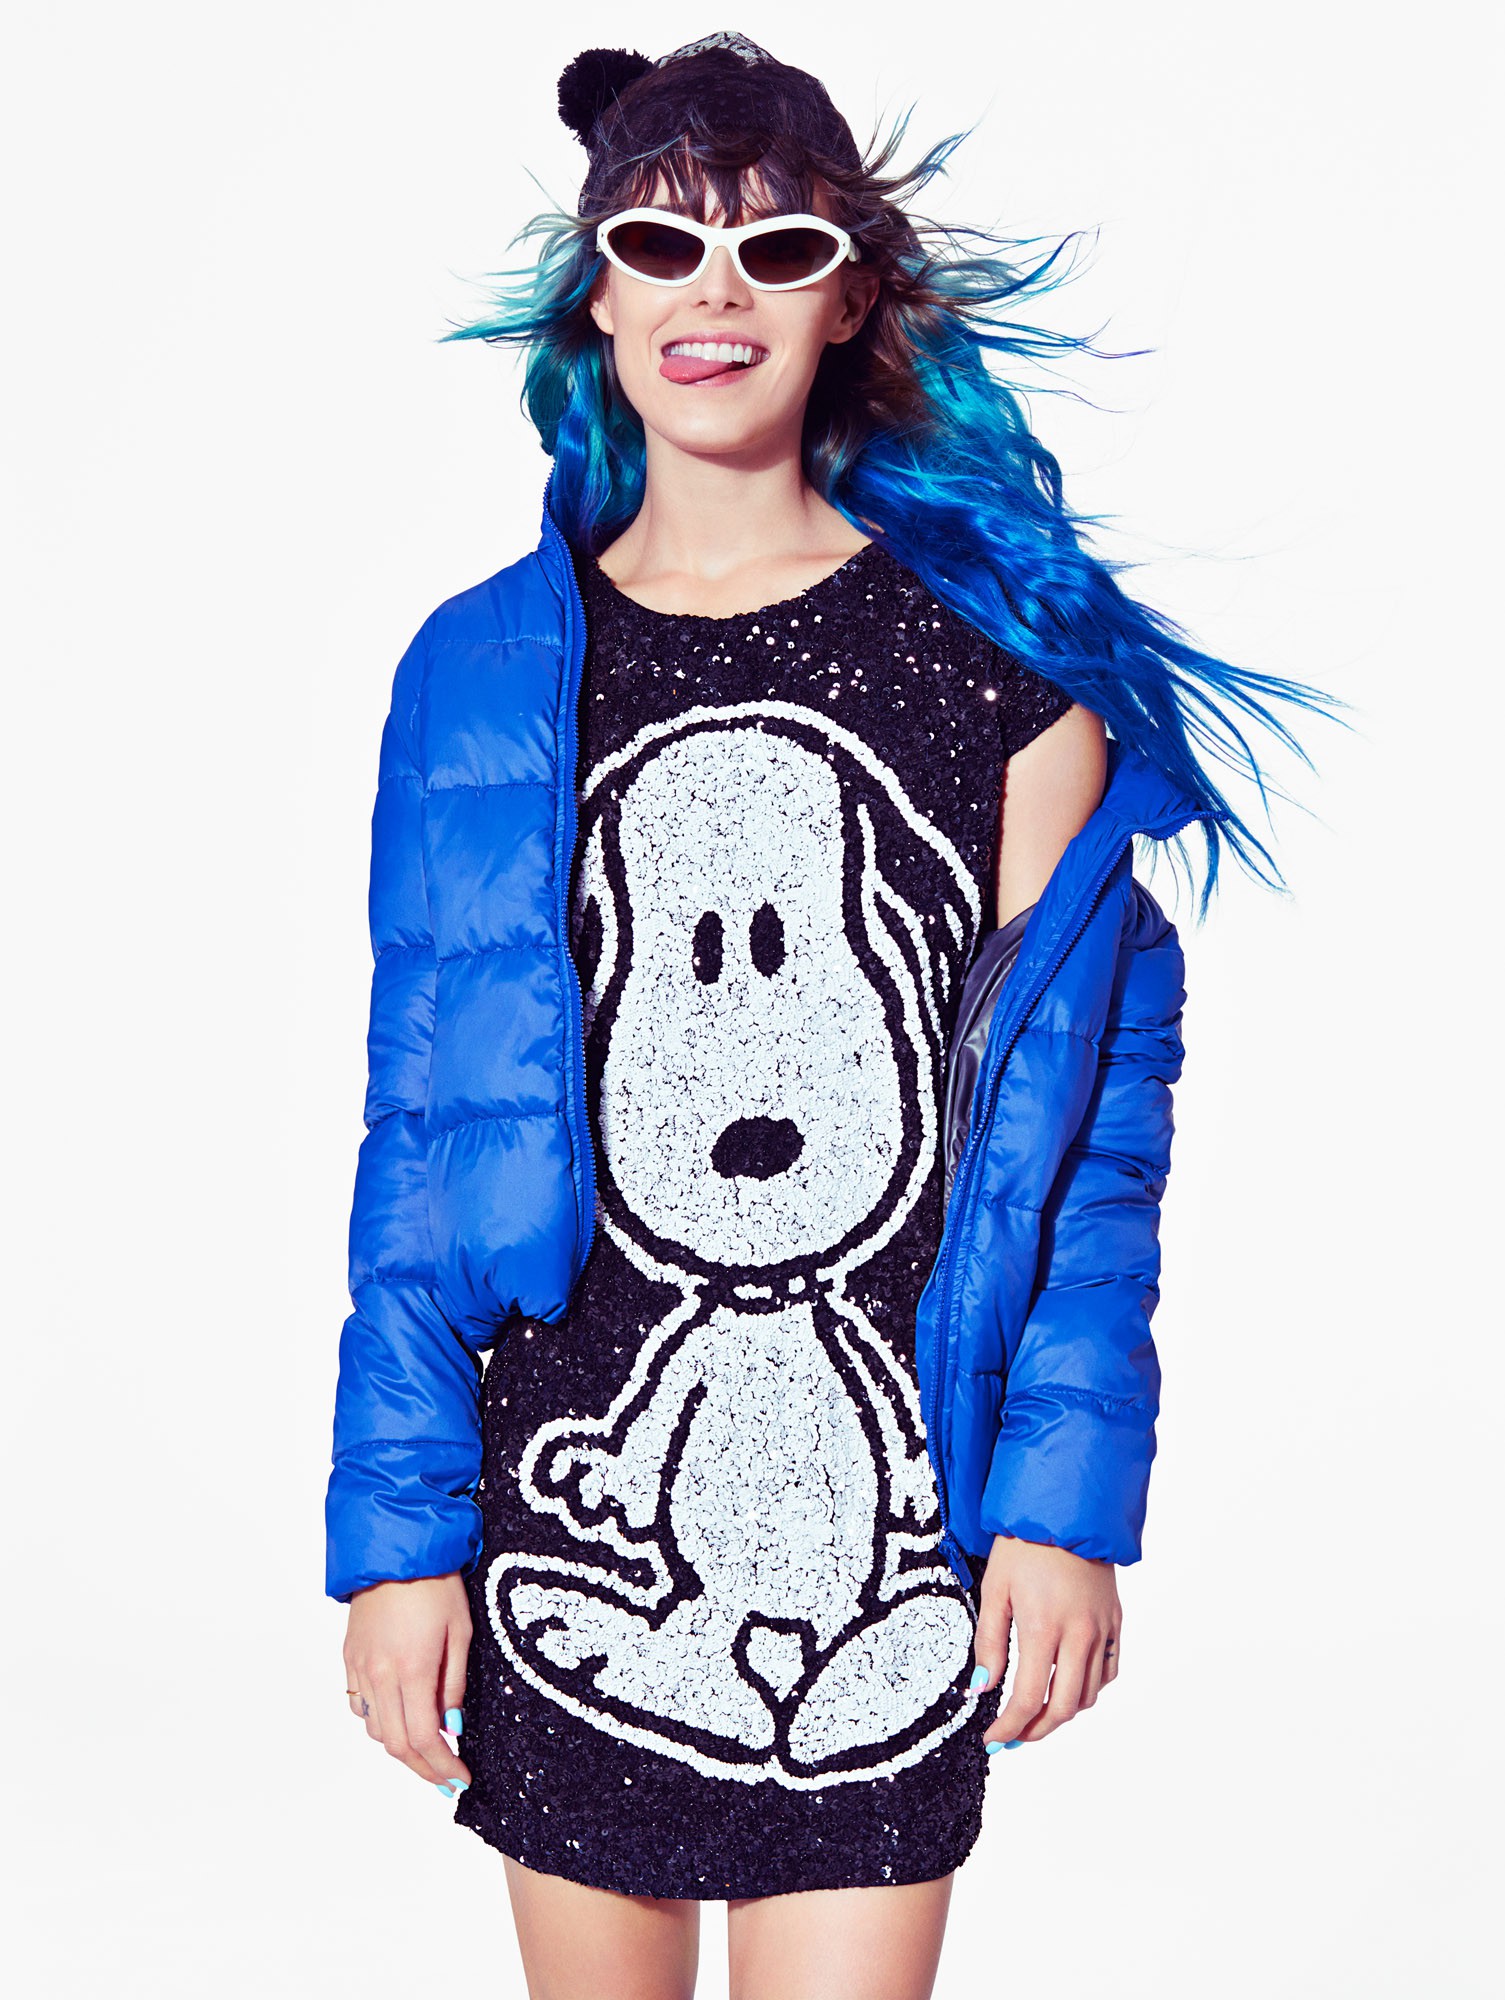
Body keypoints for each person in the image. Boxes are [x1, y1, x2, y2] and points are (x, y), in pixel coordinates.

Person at [325, 32, 1339, 2000]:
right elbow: (421, 1140)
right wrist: (395, 1537)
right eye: (660, 241)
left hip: (898, 1534)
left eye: (775, 248)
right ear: (597, 287)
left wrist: (1060, 1510)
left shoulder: (999, 666)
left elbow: (1087, 1147)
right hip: (562, 1521)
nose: (713, 291)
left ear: (851, 296)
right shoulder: (480, 669)